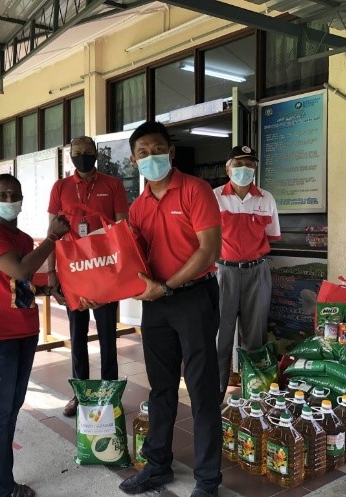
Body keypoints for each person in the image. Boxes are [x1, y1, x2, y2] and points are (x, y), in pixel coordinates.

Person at [119, 121, 222, 497]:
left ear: (171, 152)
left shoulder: (196, 191)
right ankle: (157, 465)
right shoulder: (138, 207)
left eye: (157, 149)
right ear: (133, 160)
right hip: (158, 304)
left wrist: (165, 286)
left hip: (193, 298)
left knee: (201, 388)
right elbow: (128, 261)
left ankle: (208, 479)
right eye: (143, 153)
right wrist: (98, 289)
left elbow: (208, 251)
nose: (151, 157)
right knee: (160, 387)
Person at [0, 174, 69, 497]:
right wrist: (53, 239)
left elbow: (20, 286)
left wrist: (47, 289)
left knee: (11, 408)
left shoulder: (24, 239)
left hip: (25, 332)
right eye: (4, 195)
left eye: (16, 194)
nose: (11, 199)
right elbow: (20, 270)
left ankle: (1, 480)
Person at [47, 135, 129, 417]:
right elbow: (52, 232)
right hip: (73, 272)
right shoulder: (60, 187)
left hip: (104, 270)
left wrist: (123, 271)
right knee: (77, 334)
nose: (82, 156)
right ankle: (79, 393)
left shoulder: (113, 185)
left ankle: (110, 392)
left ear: (96, 153)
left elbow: (121, 229)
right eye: (77, 152)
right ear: (70, 155)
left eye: (87, 152)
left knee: (108, 335)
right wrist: (50, 273)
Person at [213, 145, 280, 403]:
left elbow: (272, 235)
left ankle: (256, 392)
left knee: (256, 337)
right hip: (223, 273)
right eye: (239, 164)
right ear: (227, 168)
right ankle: (217, 392)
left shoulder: (266, 198)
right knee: (221, 336)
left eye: (250, 165)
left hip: (257, 273)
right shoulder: (214, 197)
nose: (244, 170)